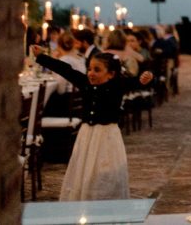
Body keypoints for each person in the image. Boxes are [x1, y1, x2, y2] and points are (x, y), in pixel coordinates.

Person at [32, 46, 154, 200]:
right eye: (89, 69)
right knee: (83, 169)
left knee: (105, 171)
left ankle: (104, 202)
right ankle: (83, 199)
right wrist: (42, 57)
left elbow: (136, 82)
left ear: (111, 74)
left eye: (97, 70)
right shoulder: (85, 83)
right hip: (87, 135)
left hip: (107, 136)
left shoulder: (117, 85)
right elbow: (65, 70)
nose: (91, 73)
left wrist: (145, 78)